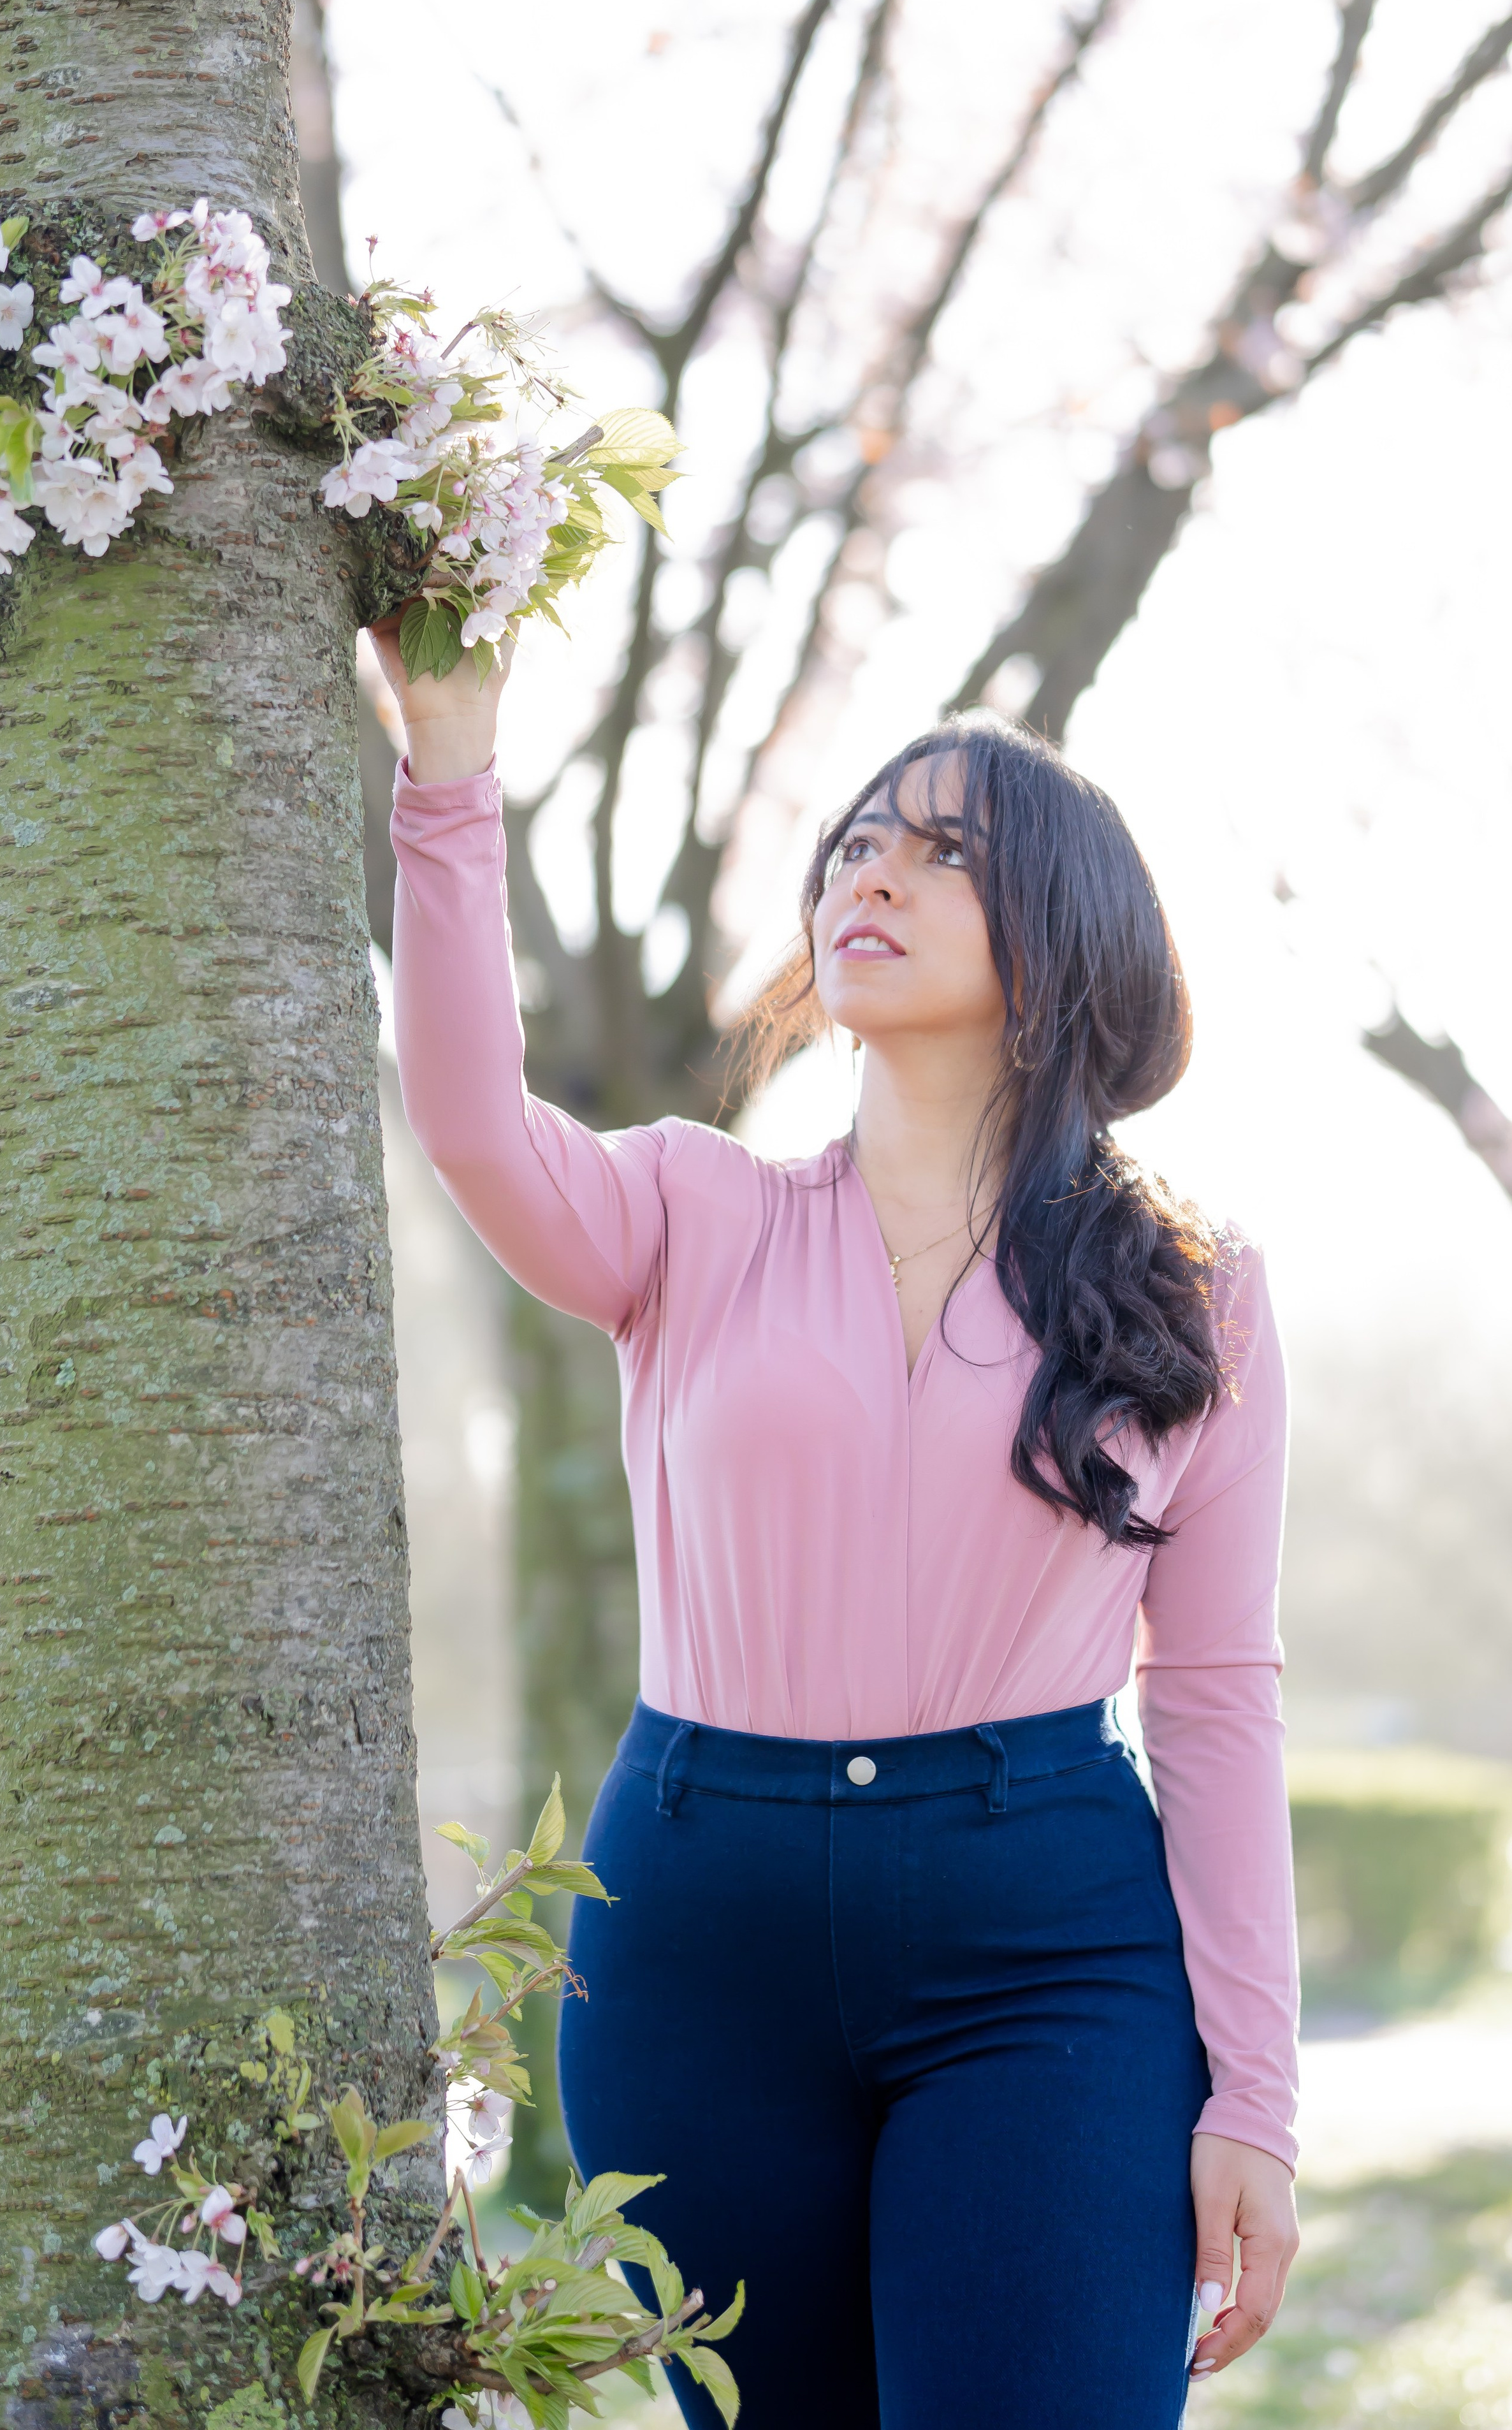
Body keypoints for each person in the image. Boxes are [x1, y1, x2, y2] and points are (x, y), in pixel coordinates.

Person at [372, 622, 1300, 2429]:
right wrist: (453, 763)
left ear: (1063, 934)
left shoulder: (1198, 1292)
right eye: (859, 840)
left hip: (1049, 1948)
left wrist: (1252, 2097)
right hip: (695, 1941)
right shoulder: (688, 1211)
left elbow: (1217, 1699)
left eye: (944, 847)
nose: (874, 866)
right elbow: (472, 1120)